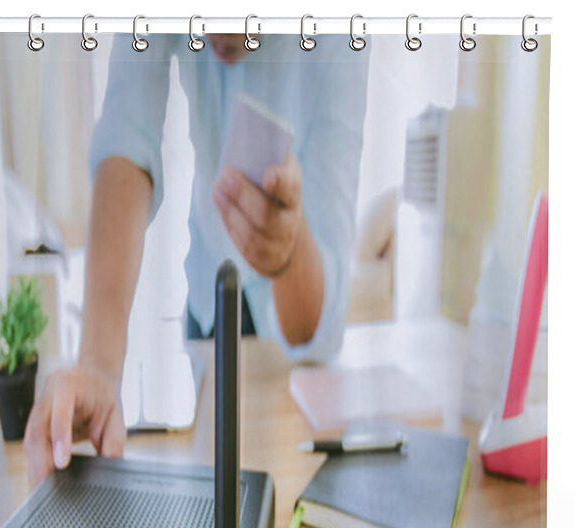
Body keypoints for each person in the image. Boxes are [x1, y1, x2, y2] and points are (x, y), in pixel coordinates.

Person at [24, 33, 369, 486]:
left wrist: (288, 253)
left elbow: (312, 326)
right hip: (207, 294)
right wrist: (97, 365)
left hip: (291, 340)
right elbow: (127, 135)